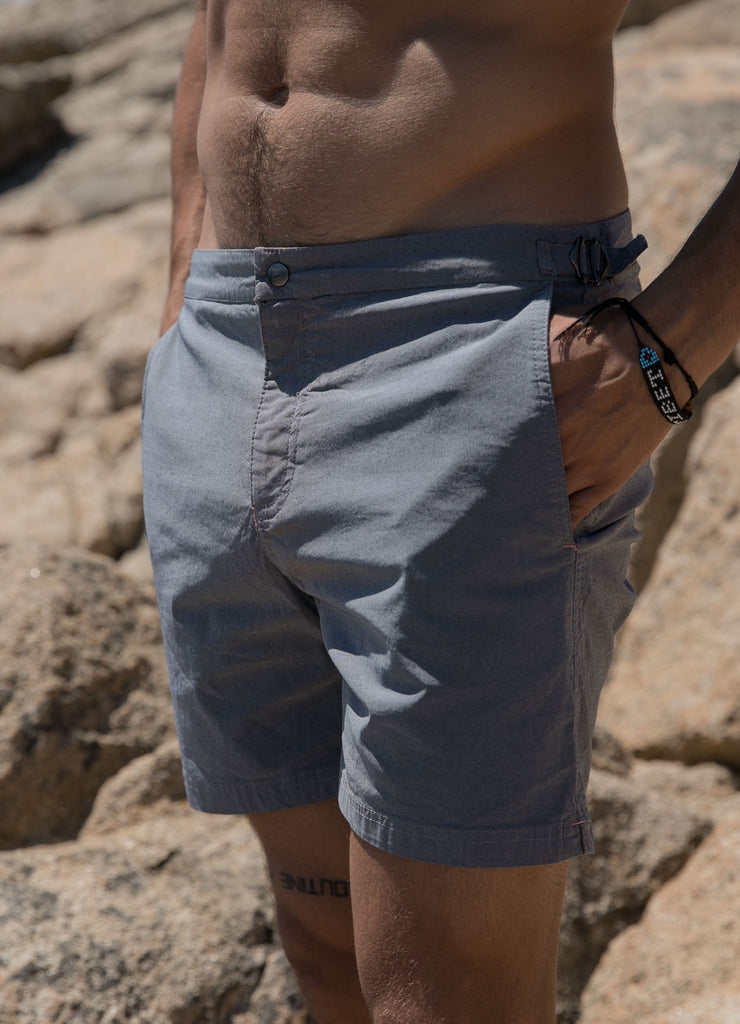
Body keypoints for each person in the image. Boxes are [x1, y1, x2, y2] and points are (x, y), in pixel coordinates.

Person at [141, 0, 740, 1020]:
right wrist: (181, 302)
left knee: (448, 997)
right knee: (323, 942)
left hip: (465, 351)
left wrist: (671, 348)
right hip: (220, 350)